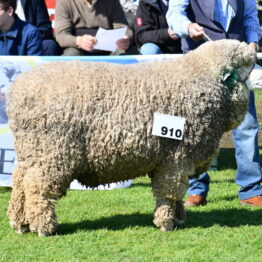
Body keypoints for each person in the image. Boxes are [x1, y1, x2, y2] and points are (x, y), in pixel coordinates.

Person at [166, 0, 262, 207]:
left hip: (237, 66)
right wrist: (188, 27)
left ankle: (251, 190)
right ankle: (196, 189)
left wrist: (253, 42)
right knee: (196, 129)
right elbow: (174, 14)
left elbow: (250, 18)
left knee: (247, 126)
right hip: (199, 64)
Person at [55, 0, 136, 56]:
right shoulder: (64, 1)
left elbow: (123, 28)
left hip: (109, 49)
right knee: (70, 57)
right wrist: (78, 41)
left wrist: (126, 39)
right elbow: (61, 35)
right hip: (78, 48)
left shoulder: (112, 1)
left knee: (128, 57)